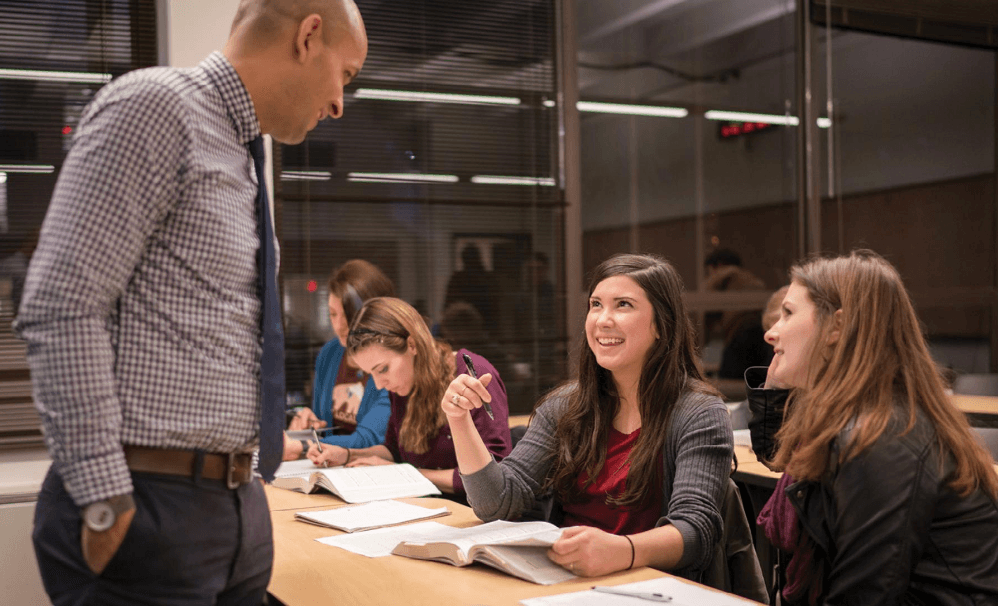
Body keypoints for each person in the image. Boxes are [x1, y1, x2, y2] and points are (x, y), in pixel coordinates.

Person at [13, 1, 368, 603]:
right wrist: (105, 499)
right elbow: (62, 305)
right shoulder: (156, 107)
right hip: (148, 501)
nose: (339, 103)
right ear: (309, 36)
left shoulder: (242, 155)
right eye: (347, 74)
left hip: (233, 502)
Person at [442, 253, 734, 581]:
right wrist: (459, 419)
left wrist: (622, 550)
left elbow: (696, 531)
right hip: (567, 579)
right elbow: (496, 503)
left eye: (623, 304)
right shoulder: (565, 406)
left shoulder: (699, 414)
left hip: (651, 584)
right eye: (596, 304)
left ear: (661, 325)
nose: (602, 320)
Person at [749, 250, 998, 605]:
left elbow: (863, 597)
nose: (771, 334)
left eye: (787, 314)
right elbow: (780, 458)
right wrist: (776, 388)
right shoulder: (851, 419)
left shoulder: (881, 440)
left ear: (837, 327)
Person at [308, 297, 512, 502]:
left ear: (412, 345)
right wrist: (348, 455)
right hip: (425, 506)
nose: (379, 384)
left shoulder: (470, 374)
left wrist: (402, 474)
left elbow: (495, 477)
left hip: (470, 513)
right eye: (371, 374)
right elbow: (393, 450)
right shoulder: (403, 385)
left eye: (383, 369)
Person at [283, 259, 394, 460]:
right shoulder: (330, 353)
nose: (340, 326)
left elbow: (371, 439)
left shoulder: (391, 363)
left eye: (349, 316)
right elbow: (324, 429)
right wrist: (309, 423)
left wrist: (301, 445)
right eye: (333, 314)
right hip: (329, 465)